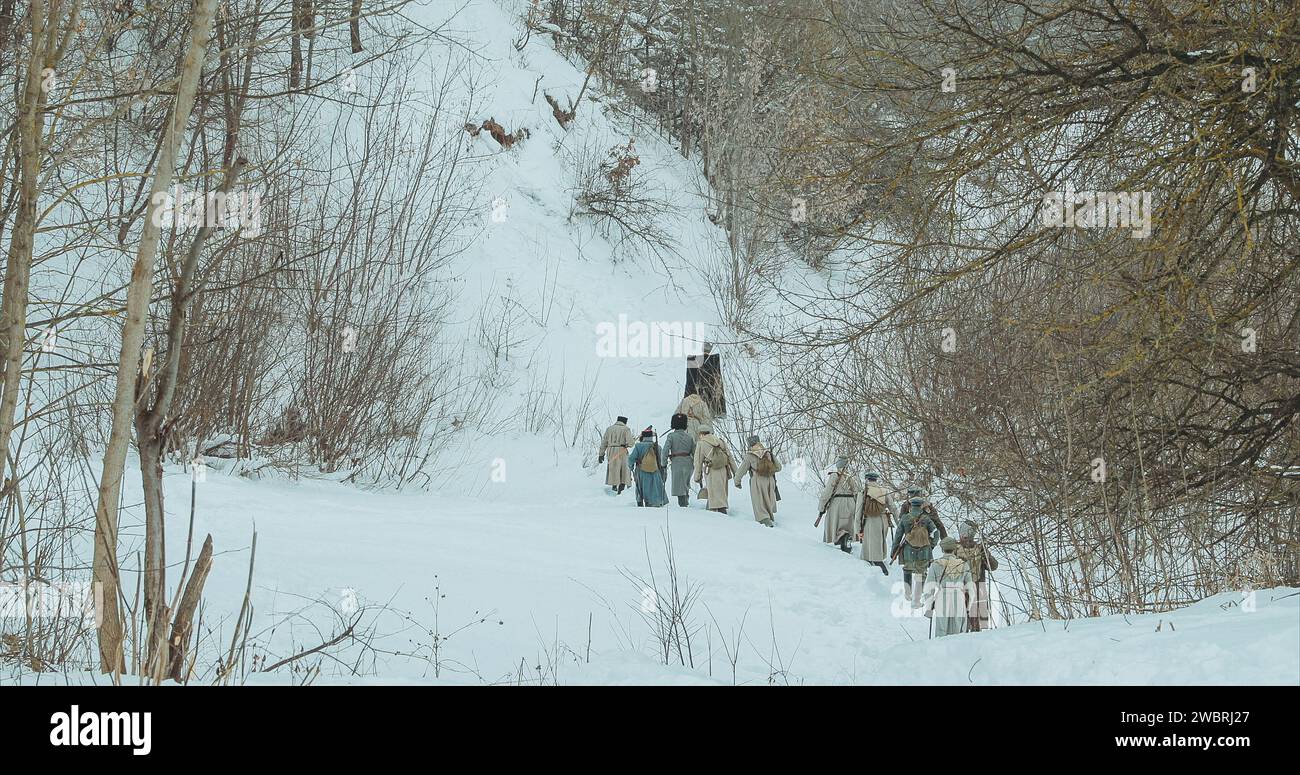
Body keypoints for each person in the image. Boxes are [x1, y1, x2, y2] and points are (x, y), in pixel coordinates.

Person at [890, 497, 939, 607]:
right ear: (921, 506)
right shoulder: (926, 519)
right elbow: (936, 533)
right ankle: (916, 600)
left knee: (907, 570)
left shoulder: (905, 518)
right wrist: (931, 545)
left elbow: (898, 535)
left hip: (908, 550)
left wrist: (894, 551)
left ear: (911, 506)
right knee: (920, 573)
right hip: (924, 551)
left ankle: (908, 595)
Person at [953, 519, 999, 631]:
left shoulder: (977, 548)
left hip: (969, 587)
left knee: (970, 620)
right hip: (967, 588)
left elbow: (993, 566)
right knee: (967, 619)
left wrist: (986, 555)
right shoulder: (958, 548)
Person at [924, 536, 972, 638]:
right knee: (958, 630)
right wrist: (968, 606)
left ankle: (940, 651)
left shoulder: (935, 564)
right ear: (955, 549)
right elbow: (970, 588)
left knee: (941, 630)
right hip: (958, 597)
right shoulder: (964, 565)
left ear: (942, 549)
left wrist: (929, 607)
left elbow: (929, 588)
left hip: (942, 597)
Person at [734, 434, 780, 527]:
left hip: (757, 480)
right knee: (768, 498)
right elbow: (779, 467)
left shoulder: (750, 456)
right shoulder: (768, 453)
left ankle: (764, 519)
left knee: (759, 500)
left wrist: (737, 481)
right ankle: (769, 517)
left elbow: (741, 471)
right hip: (770, 480)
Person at [817, 457, 860, 552]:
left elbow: (827, 492)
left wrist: (821, 507)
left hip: (837, 504)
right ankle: (846, 540)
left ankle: (841, 540)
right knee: (848, 525)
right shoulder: (851, 476)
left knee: (835, 526)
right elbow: (857, 492)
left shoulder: (834, 476)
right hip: (851, 503)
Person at [857, 470, 893, 574]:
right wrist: (898, 520)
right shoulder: (884, 491)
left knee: (870, 543)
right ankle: (878, 560)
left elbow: (858, 512)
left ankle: (877, 564)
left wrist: (858, 529)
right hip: (883, 520)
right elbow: (893, 507)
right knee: (879, 541)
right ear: (876, 479)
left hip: (870, 520)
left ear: (867, 480)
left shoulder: (863, 492)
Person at [692, 425, 733, 514]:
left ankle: (716, 513)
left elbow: (698, 462)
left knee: (713, 491)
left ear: (701, 433)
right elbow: (730, 457)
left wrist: (697, 476)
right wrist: (735, 472)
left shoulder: (701, 443)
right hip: (723, 470)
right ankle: (720, 509)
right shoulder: (720, 441)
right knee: (721, 491)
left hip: (711, 470)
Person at [628, 427, 669, 507]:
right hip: (655, 472)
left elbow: (631, 459)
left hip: (641, 472)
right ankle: (654, 503)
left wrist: (631, 467)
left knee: (640, 488)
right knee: (654, 488)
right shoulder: (657, 446)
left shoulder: (638, 446)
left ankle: (640, 501)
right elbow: (661, 461)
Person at [684, 342, 725, 417]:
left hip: (697, 399)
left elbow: (690, 383)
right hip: (710, 400)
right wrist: (720, 409)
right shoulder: (714, 361)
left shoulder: (693, 361)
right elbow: (718, 384)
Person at [662, 414, 696, 507]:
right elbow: (695, 452)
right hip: (689, 462)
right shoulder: (690, 436)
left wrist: (663, 464)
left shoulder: (671, 436)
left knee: (679, 487)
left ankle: (683, 505)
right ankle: (686, 501)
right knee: (685, 484)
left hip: (677, 462)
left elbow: (665, 450)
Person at [597, 416, 634, 494]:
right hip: (622, 450)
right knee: (623, 470)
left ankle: (614, 487)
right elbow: (630, 443)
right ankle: (621, 489)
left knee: (614, 469)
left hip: (611, 450)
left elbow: (604, 442)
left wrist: (601, 454)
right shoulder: (626, 429)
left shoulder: (609, 429)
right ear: (625, 422)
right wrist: (629, 443)